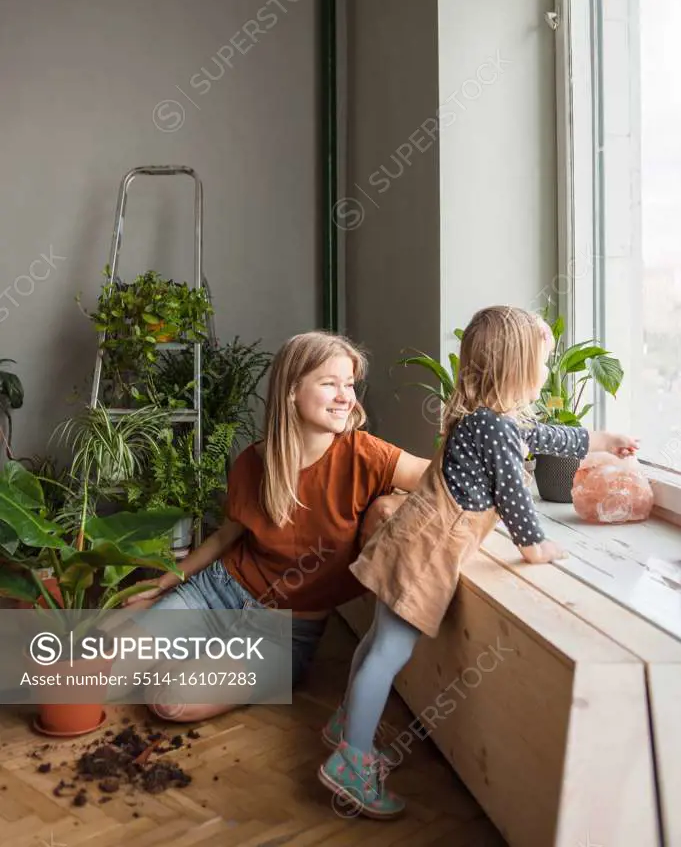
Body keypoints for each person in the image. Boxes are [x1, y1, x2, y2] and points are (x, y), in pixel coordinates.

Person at [318, 306, 639, 820]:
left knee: (376, 643)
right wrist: (533, 547)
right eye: (540, 361)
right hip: (426, 554)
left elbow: (543, 439)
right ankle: (351, 762)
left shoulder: (488, 419)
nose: (544, 371)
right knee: (390, 654)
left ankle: (346, 726)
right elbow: (514, 495)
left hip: (410, 540)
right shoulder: (494, 428)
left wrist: (602, 441)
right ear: (515, 367)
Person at [123, 330, 430, 723]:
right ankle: (171, 625)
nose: (344, 396)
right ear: (291, 390)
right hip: (218, 592)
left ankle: (195, 646)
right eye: (329, 384)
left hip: (284, 633)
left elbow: (439, 480)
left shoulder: (365, 454)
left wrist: (392, 502)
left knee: (169, 701)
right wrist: (168, 579)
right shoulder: (254, 461)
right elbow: (227, 534)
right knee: (109, 668)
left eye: (349, 385)